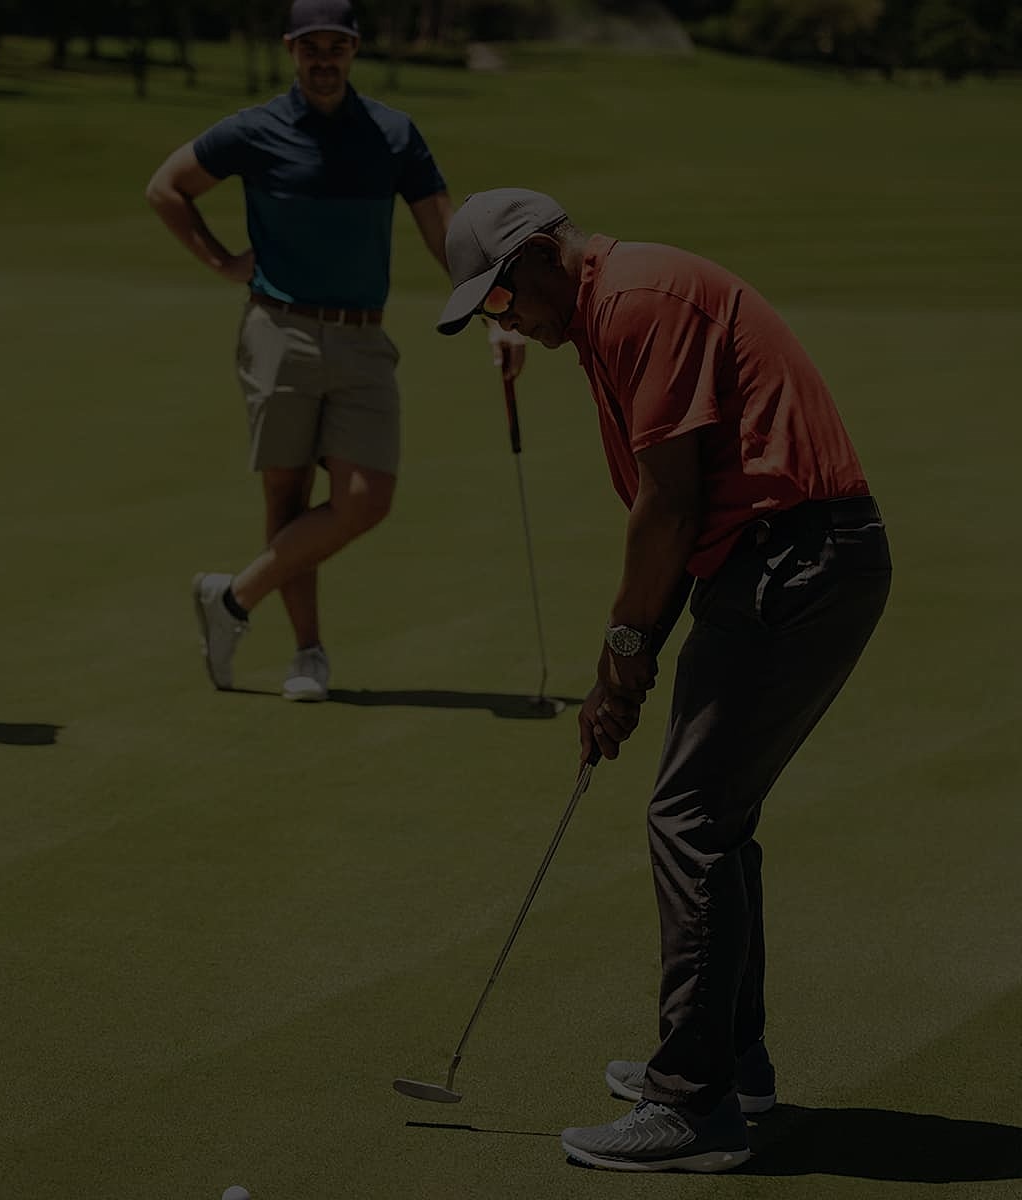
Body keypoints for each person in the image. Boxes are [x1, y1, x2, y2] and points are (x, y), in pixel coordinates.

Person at [435, 188, 893, 1173]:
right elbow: (682, 529)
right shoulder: (603, 315)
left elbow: (667, 507)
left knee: (688, 819)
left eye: (505, 299)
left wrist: (621, 665)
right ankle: (733, 1063)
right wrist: (623, 678)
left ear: (545, 255)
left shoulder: (636, 299)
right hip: (769, 563)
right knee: (714, 817)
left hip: (794, 562)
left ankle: (693, 1107)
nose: (509, 321)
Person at [145, 0, 527, 701]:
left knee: (366, 497)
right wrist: (221, 260)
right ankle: (308, 656)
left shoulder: (392, 134)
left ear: (355, 50)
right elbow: (166, 187)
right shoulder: (256, 129)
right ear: (292, 49)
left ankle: (232, 597)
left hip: (362, 335)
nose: (324, 59)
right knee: (285, 495)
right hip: (278, 330)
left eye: (337, 46)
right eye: (311, 46)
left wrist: (495, 319)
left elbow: (445, 233)